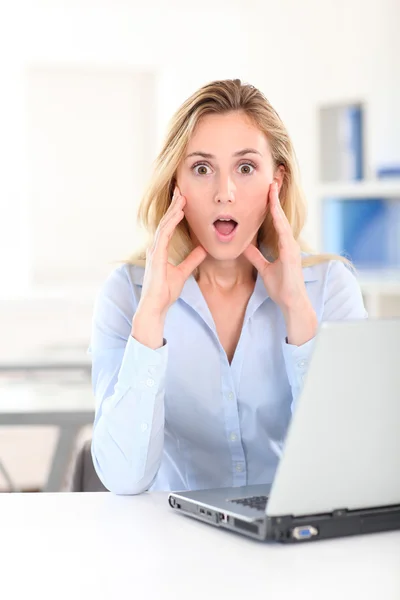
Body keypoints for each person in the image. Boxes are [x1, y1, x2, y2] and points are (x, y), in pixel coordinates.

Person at [90, 79, 367, 495]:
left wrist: (297, 312)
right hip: (172, 540)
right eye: (202, 169)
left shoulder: (330, 287)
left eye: (246, 167)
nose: (225, 193)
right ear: (175, 184)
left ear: (278, 179)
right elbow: (124, 479)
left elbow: (348, 469)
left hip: (294, 544)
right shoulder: (127, 293)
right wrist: (150, 319)